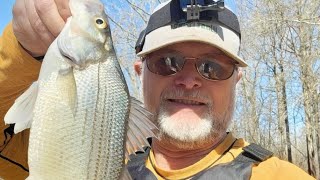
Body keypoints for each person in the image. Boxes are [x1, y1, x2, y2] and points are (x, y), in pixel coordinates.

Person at [0, 0, 315, 179]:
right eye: (167, 61)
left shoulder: (278, 176)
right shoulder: (80, 141)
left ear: (236, 81)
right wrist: (20, 51)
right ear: (139, 72)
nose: (190, 80)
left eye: (213, 68)